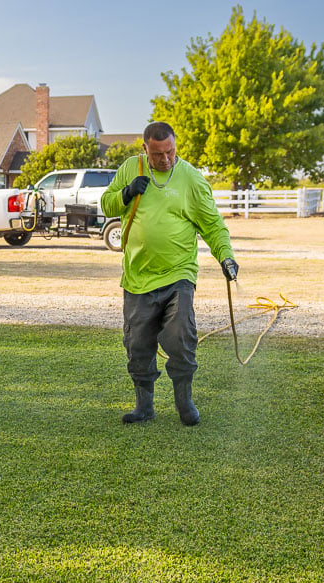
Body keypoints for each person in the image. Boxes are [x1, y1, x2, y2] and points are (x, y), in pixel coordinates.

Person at [100, 121, 239, 426]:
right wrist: (125, 193)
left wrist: (226, 257)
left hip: (179, 274)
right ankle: (144, 407)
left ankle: (184, 402)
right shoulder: (129, 168)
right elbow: (107, 204)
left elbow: (213, 225)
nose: (165, 159)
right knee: (137, 344)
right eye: (158, 154)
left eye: (170, 152)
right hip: (137, 276)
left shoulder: (191, 179)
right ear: (145, 149)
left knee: (180, 335)